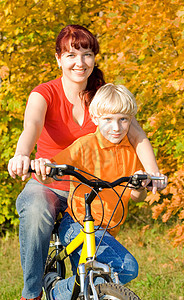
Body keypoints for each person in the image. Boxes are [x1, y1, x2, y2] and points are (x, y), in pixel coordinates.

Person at [8, 25, 163, 300]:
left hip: (91, 187)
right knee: (34, 210)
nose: (80, 62)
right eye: (71, 55)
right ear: (58, 58)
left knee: (105, 259)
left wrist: (152, 173)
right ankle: (32, 293)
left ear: (94, 58)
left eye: (87, 54)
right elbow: (31, 126)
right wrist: (23, 155)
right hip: (50, 179)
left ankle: (82, 288)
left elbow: (137, 135)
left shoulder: (103, 95)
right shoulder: (44, 93)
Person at [32, 83, 167, 300]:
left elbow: (136, 197)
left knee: (90, 287)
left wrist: (141, 187)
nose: (117, 127)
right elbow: (51, 170)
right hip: (77, 224)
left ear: (130, 120)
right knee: (127, 268)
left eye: (123, 119)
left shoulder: (131, 153)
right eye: (108, 119)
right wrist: (43, 167)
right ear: (95, 119)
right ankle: (54, 290)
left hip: (106, 230)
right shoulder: (84, 146)